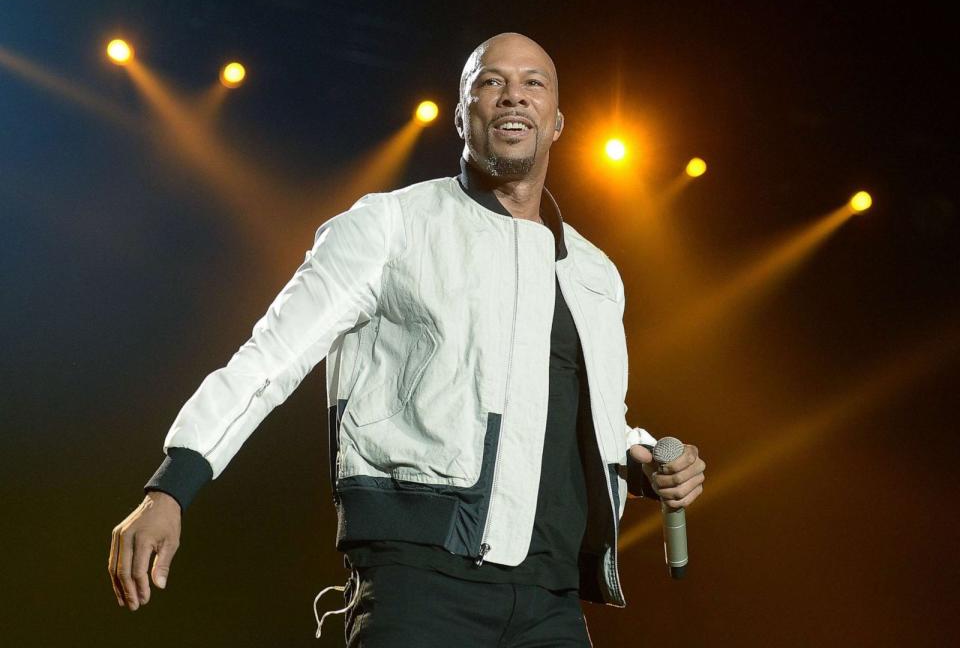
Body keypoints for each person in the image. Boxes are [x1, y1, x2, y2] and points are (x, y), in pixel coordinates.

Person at [108, 32, 706, 646]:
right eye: (490, 81)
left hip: (550, 600)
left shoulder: (592, 273)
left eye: (534, 83)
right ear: (461, 114)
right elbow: (270, 358)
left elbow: (583, 409)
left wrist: (639, 460)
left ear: (557, 121)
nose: (513, 97)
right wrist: (172, 487)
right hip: (421, 583)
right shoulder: (391, 225)